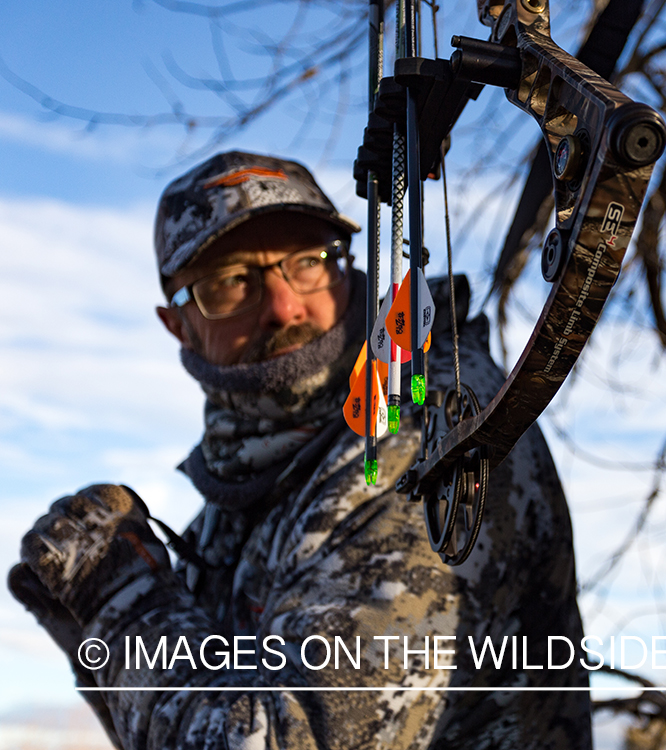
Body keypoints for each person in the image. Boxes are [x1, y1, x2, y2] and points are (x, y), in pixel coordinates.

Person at [9, 151, 593, 749]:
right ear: (177, 325)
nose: (285, 306)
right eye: (231, 281)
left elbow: (277, 737)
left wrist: (121, 602)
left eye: (311, 262)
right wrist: (94, 638)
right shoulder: (249, 475)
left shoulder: (432, 430)